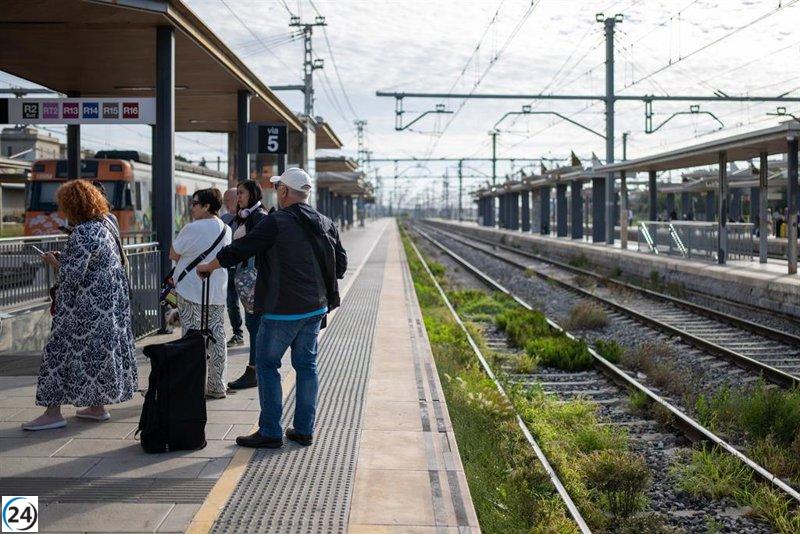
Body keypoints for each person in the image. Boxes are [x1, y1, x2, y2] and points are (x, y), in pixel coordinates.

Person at [197, 168, 347, 448]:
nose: (276, 192)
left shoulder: (275, 222)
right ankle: (303, 430)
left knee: (267, 366)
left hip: (281, 311)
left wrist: (208, 266)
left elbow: (240, 250)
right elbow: (341, 266)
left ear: (285, 192)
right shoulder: (326, 222)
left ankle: (270, 432)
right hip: (315, 309)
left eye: (279, 188)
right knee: (306, 367)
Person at [23, 180, 137, 430]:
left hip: (82, 311)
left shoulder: (83, 232)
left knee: (57, 355)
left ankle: (52, 414)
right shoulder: (104, 227)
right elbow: (95, 263)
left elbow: (72, 275)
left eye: (63, 205)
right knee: (94, 356)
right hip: (106, 307)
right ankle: (97, 408)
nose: (61, 210)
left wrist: (55, 262)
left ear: (73, 205)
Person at [170, 188, 232, 399]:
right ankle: (217, 385)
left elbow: (173, 253)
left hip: (190, 290)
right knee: (217, 336)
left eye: (195, 203)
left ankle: (192, 386)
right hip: (216, 292)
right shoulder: (226, 229)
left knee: (191, 337)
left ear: (206, 206)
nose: (192, 207)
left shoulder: (192, 228)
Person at [227, 180, 267, 390]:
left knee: (255, 325)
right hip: (248, 279)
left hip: (255, 280)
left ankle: (255, 371)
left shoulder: (259, 217)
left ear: (253, 194)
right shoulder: (248, 217)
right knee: (254, 326)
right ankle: (257, 369)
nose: (238, 197)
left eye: (241, 193)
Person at [221, 188, 245, 347]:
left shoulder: (245, 217)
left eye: (227, 200)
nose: (225, 203)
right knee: (233, 302)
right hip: (236, 267)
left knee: (235, 302)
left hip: (237, 267)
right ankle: (239, 333)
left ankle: (239, 333)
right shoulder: (225, 218)